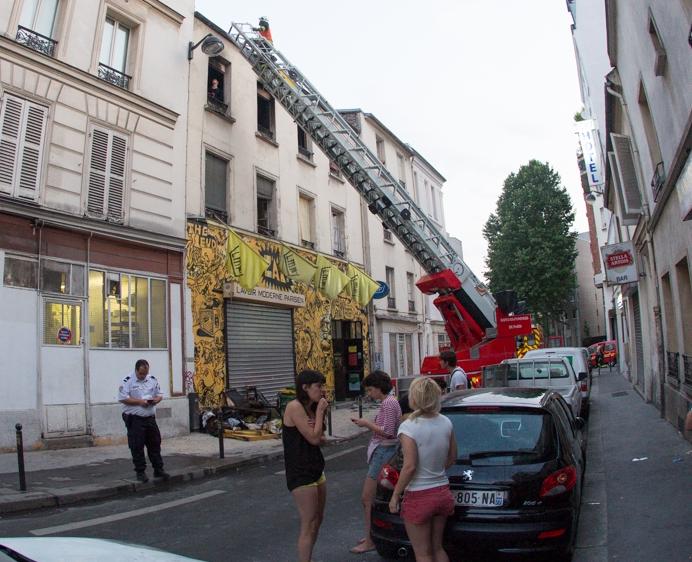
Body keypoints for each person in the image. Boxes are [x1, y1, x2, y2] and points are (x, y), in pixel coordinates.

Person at [389, 377, 457, 562]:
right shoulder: (446, 422)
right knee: (437, 548)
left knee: (423, 553)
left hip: (419, 494)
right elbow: (452, 458)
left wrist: (396, 495)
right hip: (442, 491)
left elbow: (410, 466)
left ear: (413, 397)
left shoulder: (409, 426)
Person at [349, 370, 402, 554]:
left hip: (383, 450)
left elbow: (387, 432)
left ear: (379, 388)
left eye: (371, 390)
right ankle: (371, 534)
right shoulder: (391, 402)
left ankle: (370, 539)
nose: (369, 393)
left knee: (367, 497)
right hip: (386, 450)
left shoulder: (387, 403)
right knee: (370, 498)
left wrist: (367, 424)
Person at [282, 370, 329, 562]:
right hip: (300, 471)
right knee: (308, 522)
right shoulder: (294, 407)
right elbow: (314, 438)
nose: (322, 390)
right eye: (318, 386)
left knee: (318, 519)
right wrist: (319, 414)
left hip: (316, 467)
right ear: (305, 387)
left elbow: (321, 437)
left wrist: (319, 416)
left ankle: (308, 557)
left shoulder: (312, 406)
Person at [118, 359, 169, 483]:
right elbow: (123, 398)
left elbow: (159, 394)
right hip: (135, 420)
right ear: (136, 370)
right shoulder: (127, 381)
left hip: (150, 419)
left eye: (145, 373)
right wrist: (140, 402)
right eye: (141, 374)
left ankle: (158, 470)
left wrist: (156, 400)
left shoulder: (152, 379)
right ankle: (140, 472)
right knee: (137, 446)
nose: (143, 376)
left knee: (155, 444)